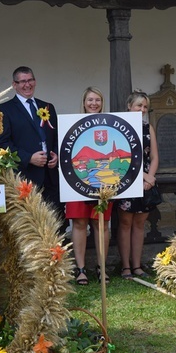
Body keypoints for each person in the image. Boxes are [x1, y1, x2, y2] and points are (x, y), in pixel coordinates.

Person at [66, 87, 113, 285]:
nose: (94, 103)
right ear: (84, 102)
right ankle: (81, 269)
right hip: (76, 181)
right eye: (90, 100)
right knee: (79, 223)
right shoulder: (72, 124)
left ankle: (102, 267)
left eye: (98, 100)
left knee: (100, 223)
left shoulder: (111, 125)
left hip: (104, 183)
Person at [0, 66, 60, 209]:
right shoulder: (4, 109)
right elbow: (3, 143)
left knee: (54, 220)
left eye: (30, 80)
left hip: (50, 175)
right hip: (25, 175)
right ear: (14, 85)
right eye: (22, 81)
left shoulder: (48, 107)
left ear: (35, 81)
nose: (27, 85)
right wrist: (29, 158)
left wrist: (56, 154)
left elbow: (56, 136)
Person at [116, 90, 159, 279]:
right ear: (129, 106)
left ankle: (137, 265)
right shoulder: (119, 127)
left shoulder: (148, 127)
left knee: (140, 224)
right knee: (125, 223)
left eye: (145, 106)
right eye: (138, 105)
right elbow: (121, 158)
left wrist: (150, 176)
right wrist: (143, 176)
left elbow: (155, 156)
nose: (142, 109)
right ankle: (125, 266)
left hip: (146, 183)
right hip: (126, 178)